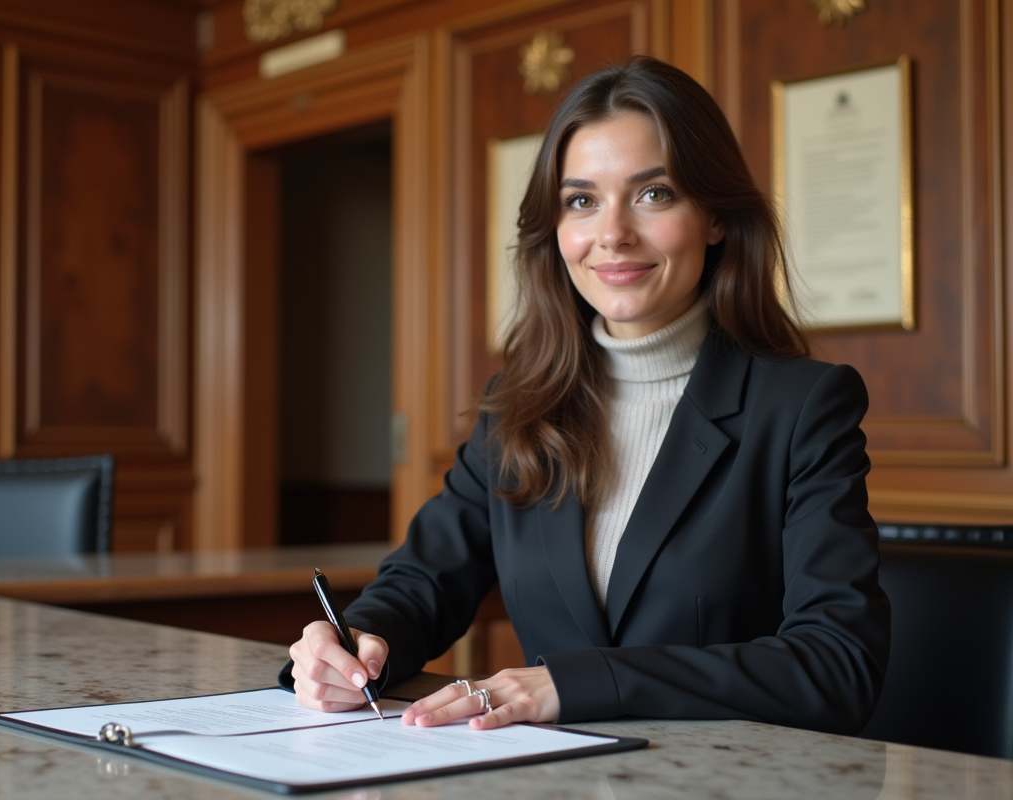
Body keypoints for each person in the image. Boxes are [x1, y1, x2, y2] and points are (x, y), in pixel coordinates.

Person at [283, 55, 890, 736]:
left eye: (653, 194)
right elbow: (423, 583)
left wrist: (576, 684)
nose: (612, 234)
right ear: (556, 230)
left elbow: (837, 666)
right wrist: (358, 645)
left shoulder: (803, 408)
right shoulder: (516, 406)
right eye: (582, 200)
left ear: (714, 217)